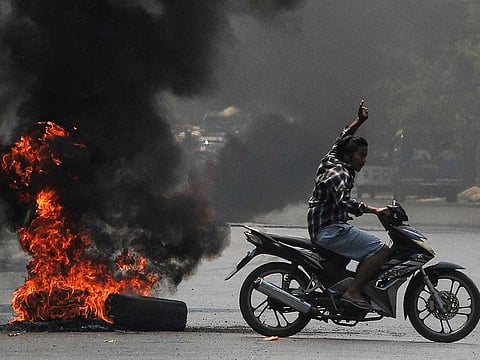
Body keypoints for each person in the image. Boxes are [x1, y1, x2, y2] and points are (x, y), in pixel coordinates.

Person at [307, 100, 390, 310]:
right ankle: (352, 292)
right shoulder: (340, 174)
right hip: (330, 230)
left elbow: (341, 138)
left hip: (325, 227)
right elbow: (344, 202)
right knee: (381, 250)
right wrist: (375, 210)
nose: (364, 160)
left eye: (366, 155)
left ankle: (347, 287)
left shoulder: (332, 158)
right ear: (350, 155)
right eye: (361, 155)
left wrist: (360, 121)